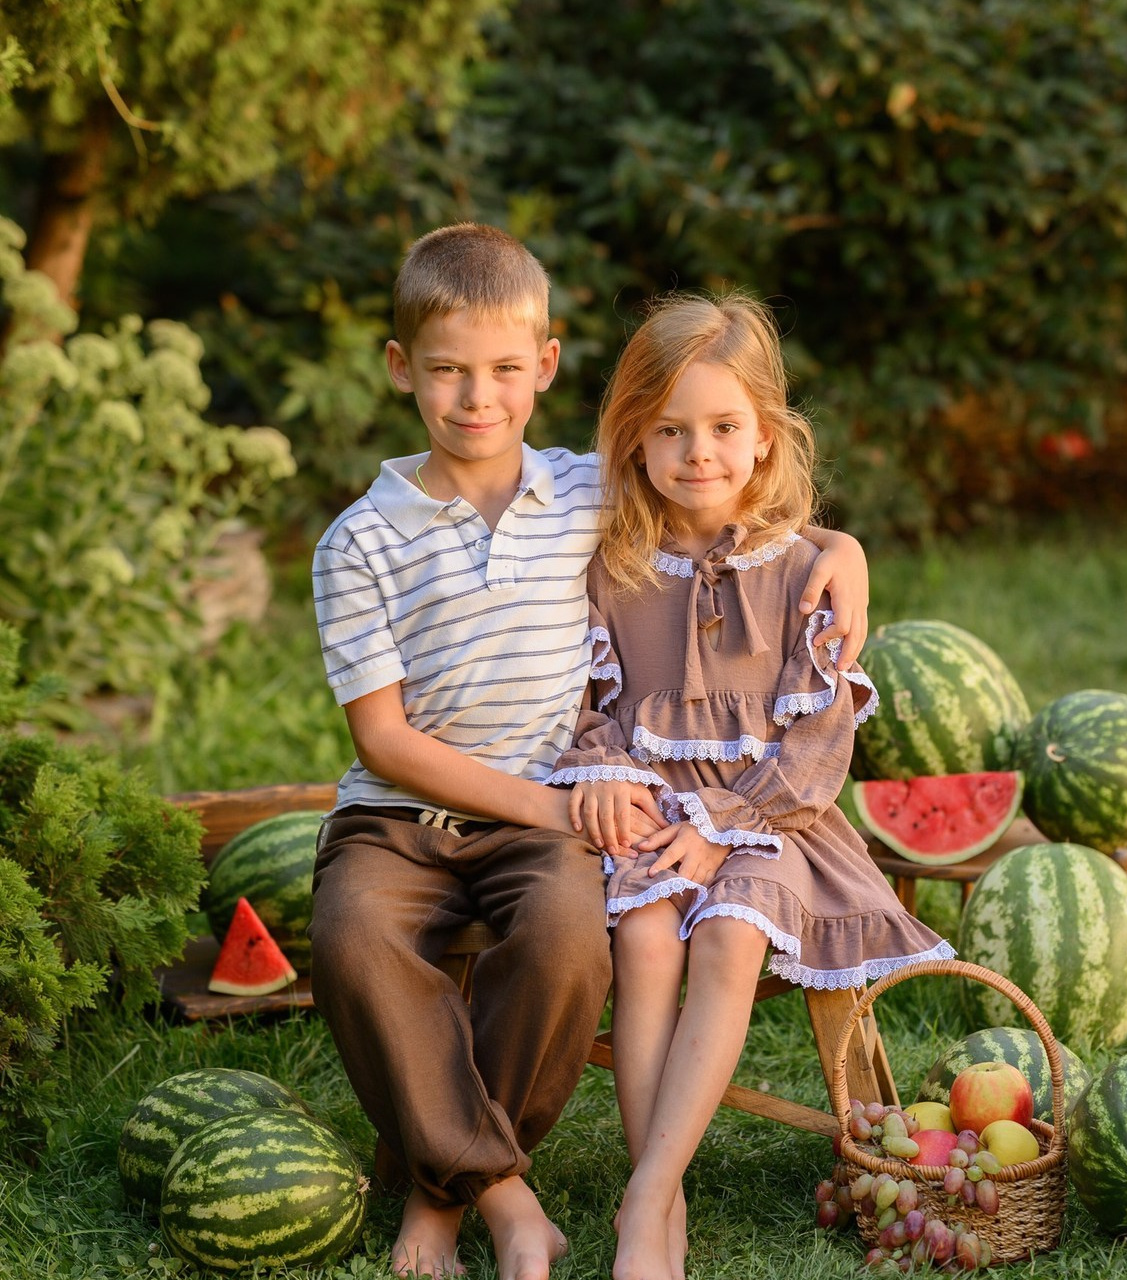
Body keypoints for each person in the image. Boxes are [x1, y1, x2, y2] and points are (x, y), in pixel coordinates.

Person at [309, 224, 872, 1280]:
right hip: (408, 813)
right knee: (348, 935)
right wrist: (561, 806)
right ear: (400, 370)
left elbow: (735, 513)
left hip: (556, 815)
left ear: (545, 368)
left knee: (572, 942)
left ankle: (458, 1188)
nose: (478, 397)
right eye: (446, 371)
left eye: (504, 371)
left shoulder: (583, 492)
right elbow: (380, 737)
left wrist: (843, 551)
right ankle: (493, 1192)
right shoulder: (357, 541)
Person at [546, 291, 957, 1280]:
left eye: (725, 427)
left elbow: (817, 744)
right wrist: (608, 769)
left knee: (726, 938)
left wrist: (728, 822)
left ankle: (641, 1191)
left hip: (778, 821)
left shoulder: (805, 568)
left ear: (766, 438)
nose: (699, 453)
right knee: (644, 938)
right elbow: (588, 698)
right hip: (652, 807)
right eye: (670, 430)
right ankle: (667, 1197)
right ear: (633, 440)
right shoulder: (612, 567)